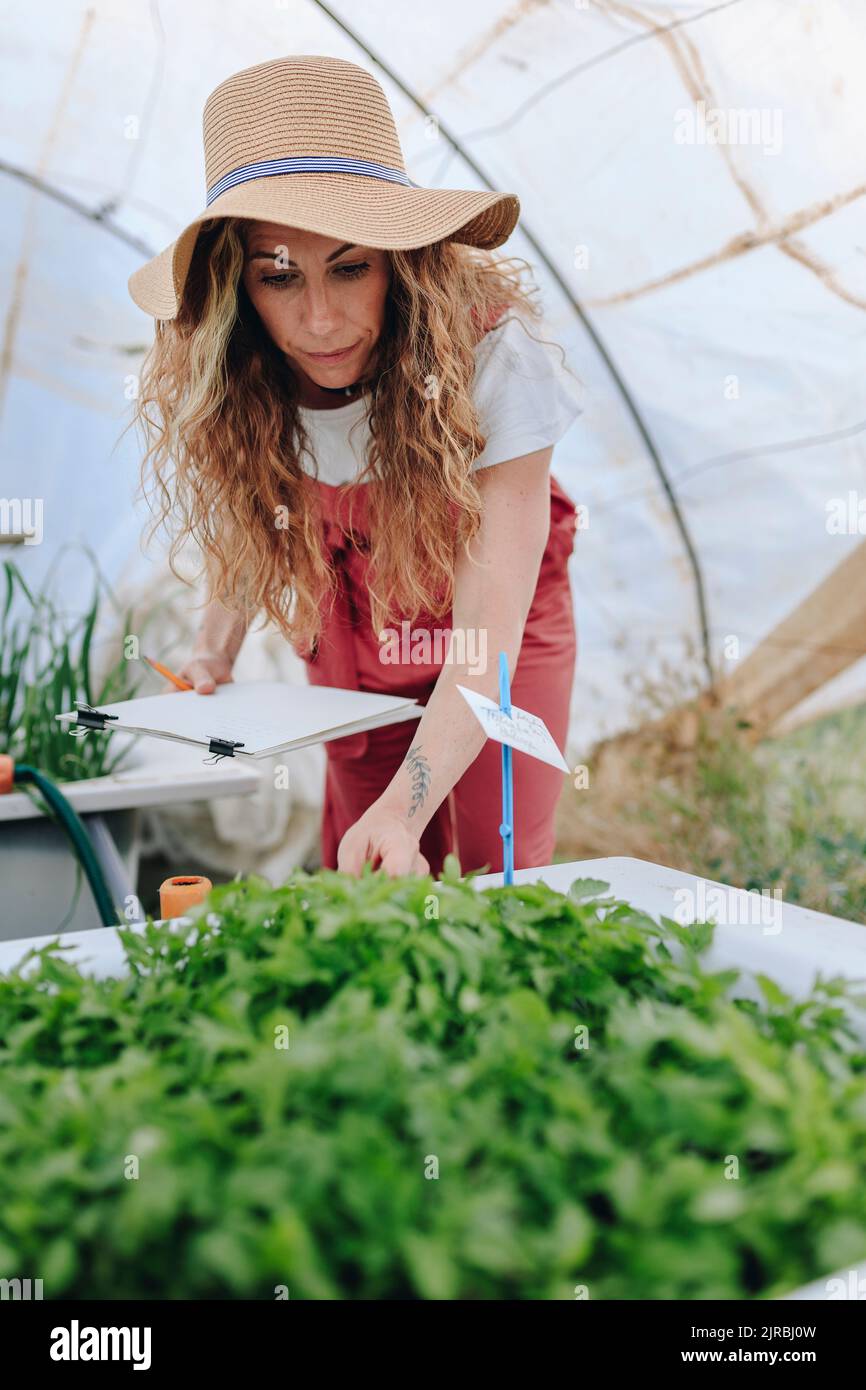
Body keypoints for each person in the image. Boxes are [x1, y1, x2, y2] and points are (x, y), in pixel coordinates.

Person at [127, 54, 584, 880]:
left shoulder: (492, 356)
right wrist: (211, 651)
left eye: (350, 266)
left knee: (498, 871)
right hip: (349, 642)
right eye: (278, 277)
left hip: (492, 637)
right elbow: (250, 518)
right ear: (236, 285)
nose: (321, 319)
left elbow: (487, 642)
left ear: (402, 259)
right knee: (365, 874)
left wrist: (408, 806)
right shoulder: (242, 375)